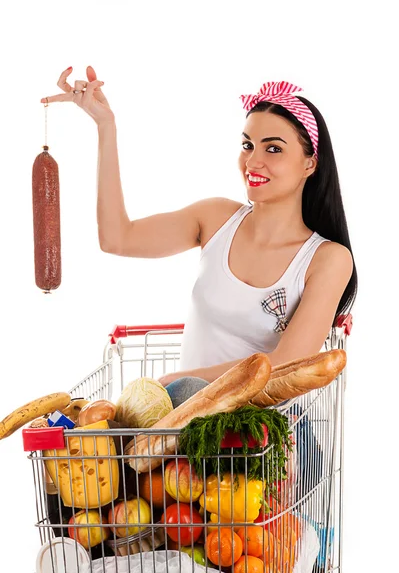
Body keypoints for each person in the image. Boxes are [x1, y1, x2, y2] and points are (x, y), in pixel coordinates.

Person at [42, 71, 357, 398]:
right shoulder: (215, 219)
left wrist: (183, 383)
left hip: (268, 435)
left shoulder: (328, 259)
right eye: (247, 145)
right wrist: (105, 125)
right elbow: (117, 238)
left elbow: (285, 365)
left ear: (310, 164)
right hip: (192, 426)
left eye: (273, 149)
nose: (253, 161)